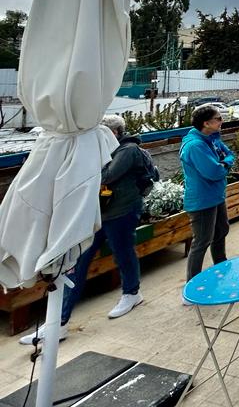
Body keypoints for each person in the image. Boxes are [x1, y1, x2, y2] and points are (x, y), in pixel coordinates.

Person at [21, 115, 159, 344]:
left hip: (121, 212)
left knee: (123, 253)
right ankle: (59, 323)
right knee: (77, 262)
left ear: (112, 133)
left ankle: (132, 293)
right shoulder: (102, 152)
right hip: (98, 214)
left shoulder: (128, 151)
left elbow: (105, 176)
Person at [181, 105, 233, 283]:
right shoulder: (195, 145)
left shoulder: (211, 138)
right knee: (202, 240)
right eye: (218, 118)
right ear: (206, 123)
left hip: (216, 196)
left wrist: (224, 162)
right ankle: (192, 283)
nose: (221, 121)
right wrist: (225, 164)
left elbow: (229, 154)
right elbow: (214, 171)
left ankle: (221, 266)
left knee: (221, 231)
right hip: (202, 200)